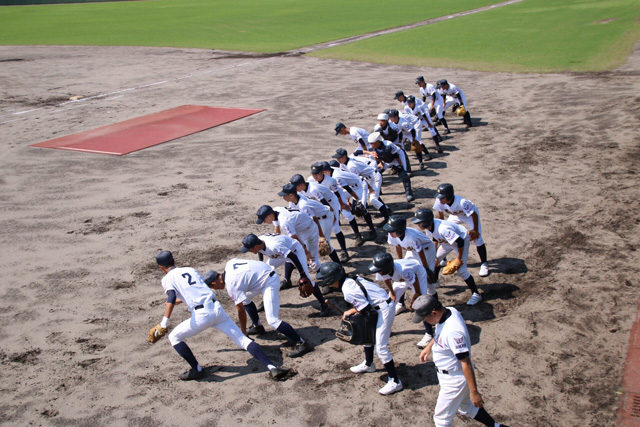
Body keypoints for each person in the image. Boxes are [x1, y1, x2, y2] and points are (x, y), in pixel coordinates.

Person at [151, 250, 290, 381]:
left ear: (160, 267)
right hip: (217, 309)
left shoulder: (167, 279)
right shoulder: (190, 270)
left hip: (201, 316)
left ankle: (197, 370)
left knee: (174, 337)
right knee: (243, 340)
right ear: (174, 260)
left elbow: (171, 296)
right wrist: (179, 301)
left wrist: (164, 323)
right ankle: (272, 367)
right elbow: (197, 290)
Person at [414, 295, 510, 427]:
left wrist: (474, 392)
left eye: (425, 318)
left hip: (454, 381)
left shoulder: (453, 332)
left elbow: (466, 363)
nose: (425, 322)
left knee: (441, 420)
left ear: (434, 313)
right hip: (452, 376)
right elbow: (441, 331)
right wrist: (430, 346)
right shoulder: (449, 311)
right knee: (466, 407)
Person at [315, 262, 403, 395]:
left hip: (383, 309)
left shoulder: (348, 290)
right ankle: (369, 364)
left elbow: (364, 308)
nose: (323, 280)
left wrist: (351, 311)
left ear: (331, 279)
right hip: (377, 306)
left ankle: (395, 381)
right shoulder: (349, 279)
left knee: (380, 348)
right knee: (366, 334)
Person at [205, 259, 313, 358]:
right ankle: (257, 326)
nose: (216, 290)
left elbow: (241, 311)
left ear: (214, 283)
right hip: (264, 274)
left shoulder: (231, 285)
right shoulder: (229, 264)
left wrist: (243, 332)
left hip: (269, 281)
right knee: (246, 298)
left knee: (272, 320)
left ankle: (302, 343)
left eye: (213, 288)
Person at [239, 233, 330, 317]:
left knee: (307, 279)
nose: (249, 251)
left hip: (295, 252)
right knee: (264, 274)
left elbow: (292, 256)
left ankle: (323, 304)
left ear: (255, 246)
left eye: (249, 249)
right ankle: (266, 301)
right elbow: (260, 251)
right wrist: (261, 261)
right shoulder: (259, 242)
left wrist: (302, 274)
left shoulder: (273, 246)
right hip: (280, 254)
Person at [383, 215, 439, 348]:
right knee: (402, 278)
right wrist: (400, 261)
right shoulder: (393, 234)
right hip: (411, 251)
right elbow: (397, 246)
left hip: (426, 250)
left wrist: (427, 269)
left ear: (400, 230)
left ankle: (430, 332)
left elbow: (420, 252)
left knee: (424, 292)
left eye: (392, 230)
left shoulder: (412, 237)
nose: (389, 232)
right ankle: (401, 304)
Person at [410, 208, 483, 306]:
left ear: (426, 222)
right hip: (446, 242)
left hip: (461, 240)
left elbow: (460, 241)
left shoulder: (443, 229)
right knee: (434, 261)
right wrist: (434, 254)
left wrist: (458, 258)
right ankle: (435, 281)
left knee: (461, 270)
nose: (418, 224)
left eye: (419, 222)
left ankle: (476, 294)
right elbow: (435, 238)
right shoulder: (429, 227)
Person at [290, 173, 350, 263]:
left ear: (301, 184)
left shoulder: (313, 189)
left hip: (331, 203)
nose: (294, 189)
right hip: (320, 208)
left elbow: (325, 203)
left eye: (295, 186)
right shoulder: (301, 191)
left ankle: (344, 252)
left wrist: (333, 215)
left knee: (335, 228)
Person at [433, 183, 490, 277]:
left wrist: (475, 230)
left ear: (448, 196)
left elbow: (474, 215)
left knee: (478, 239)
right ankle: (443, 259)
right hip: (455, 216)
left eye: (442, 197)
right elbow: (440, 216)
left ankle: (484, 264)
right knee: (444, 233)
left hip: (468, 216)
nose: (439, 199)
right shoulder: (439, 201)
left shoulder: (462, 202)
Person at [279, 182, 341, 265]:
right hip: (316, 218)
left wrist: (321, 236)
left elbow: (314, 220)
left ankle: (338, 265)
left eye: (284, 195)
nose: (283, 197)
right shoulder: (293, 201)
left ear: (291, 195)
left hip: (325, 217)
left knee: (324, 243)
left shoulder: (303, 205)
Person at [308, 161, 366, 247]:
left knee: (347, 214)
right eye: (313, 174)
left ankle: (358, 235)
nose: (314, 176)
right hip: (324, 200)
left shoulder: (331, 180)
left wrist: (342, 204)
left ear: (322, 172)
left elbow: (337, 193)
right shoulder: (311, 180)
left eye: (317, 174)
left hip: (336, 198)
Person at [332, 147, 392, 224]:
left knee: (373, 199)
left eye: (339, 157)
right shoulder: (343, 163)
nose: (338, 159)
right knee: (372, 196)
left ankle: (387, 217)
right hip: (367, 178)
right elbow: (357, 152)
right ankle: (386, 209)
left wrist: (370, 188)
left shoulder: (351, 166)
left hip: (374, 178)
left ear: (344, 156)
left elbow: (359, 179)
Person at [255, 204, 321, 273]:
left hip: (309, 230)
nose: (264, 222)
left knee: (312, 260)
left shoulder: (284, 221)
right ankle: (293, 266)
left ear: (269, 216)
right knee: (291, 251)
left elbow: (295, 239)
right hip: (298, 228)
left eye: (264, 219)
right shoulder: (275, 211)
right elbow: (277, 231)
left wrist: (306, 252)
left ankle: (323, 275)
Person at [328, 159, 379, 240]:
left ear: (326, 170)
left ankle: (373, 231)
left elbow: (348, 189)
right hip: (353, 186)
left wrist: (358, 200)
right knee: (336, 199)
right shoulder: (332, 169)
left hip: (360, 186)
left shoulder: (336, 176)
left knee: (362, 208)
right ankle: (339, 219)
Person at [367, 132, 415, 202]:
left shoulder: (388, 145)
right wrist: (381, 163)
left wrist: (400, 165)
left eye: (372, 143)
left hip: (397, 158)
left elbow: (396, 156)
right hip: (385, 160)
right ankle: (378, 191)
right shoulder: (372, 148)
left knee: (404, 174)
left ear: (378, 142)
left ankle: (409, 194)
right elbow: (377, 157)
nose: (371, 145)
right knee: (377, 174)